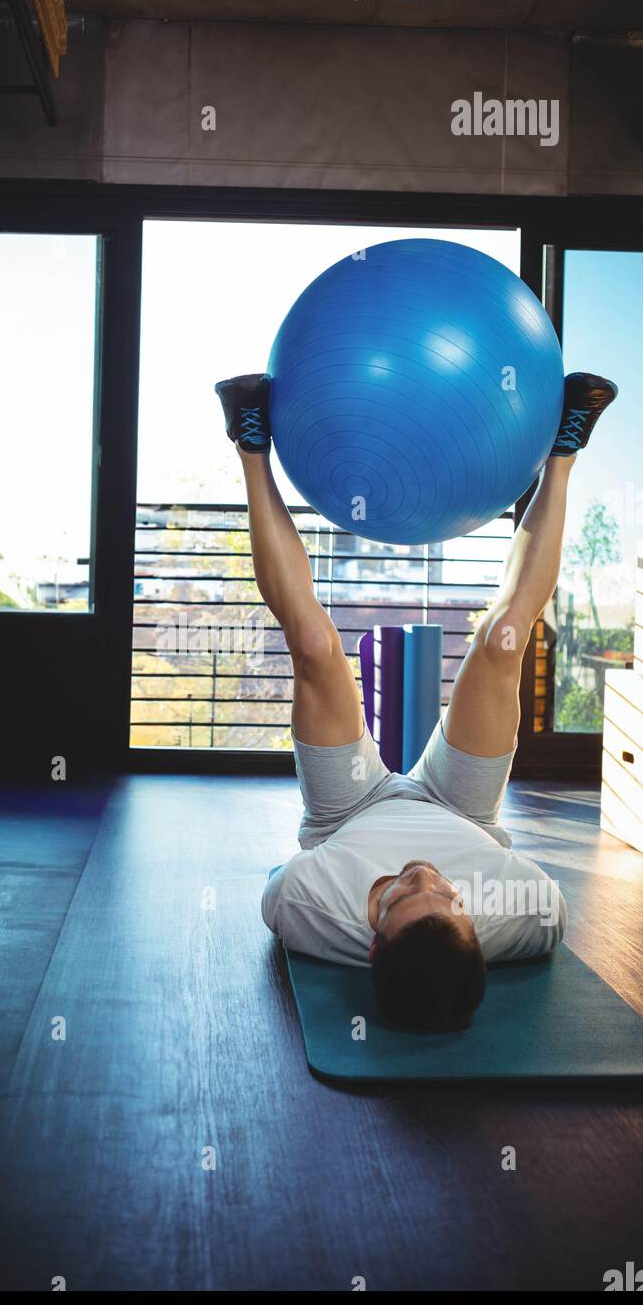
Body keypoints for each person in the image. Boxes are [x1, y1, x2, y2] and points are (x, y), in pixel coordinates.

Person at [214, 369, 618, 1031]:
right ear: (475, 925)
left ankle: (249, 443)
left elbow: (279, 885)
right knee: (503, 640)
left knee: (314, 645)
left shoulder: (308, 910)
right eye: (450, 899)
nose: (426, 876)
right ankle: (565, 452)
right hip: (462, 809)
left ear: (369, 942)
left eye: (404, 895)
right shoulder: (525, 918)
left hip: (347, 813)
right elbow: (551, 910)